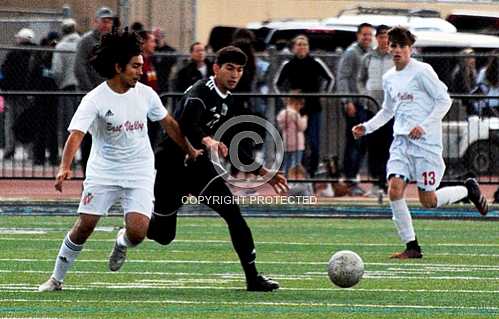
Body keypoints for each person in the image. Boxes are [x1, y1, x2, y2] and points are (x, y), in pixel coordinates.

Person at [38, 28, 201, 292]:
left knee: (137, 233)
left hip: (140, 170)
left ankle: (121, 243)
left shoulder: (146, 94)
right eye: (136, 66)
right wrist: (64, 167)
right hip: (104, 171)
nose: (141, 70)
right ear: (118, 67)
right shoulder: (95, 99)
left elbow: (169, 124)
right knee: (84, 226)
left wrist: (190, 150)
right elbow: (76, 135)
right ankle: (56, 279)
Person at [147, 46, 288, 291]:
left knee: (233, 214)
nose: (235, 74)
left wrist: (264, 172)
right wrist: (207, 139)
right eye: (230, 68)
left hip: (199, 167)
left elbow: (233, 142)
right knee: (163, 236)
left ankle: (253, 277)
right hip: (172, 166)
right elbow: (187, 124)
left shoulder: (228, 100)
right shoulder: (202, 91)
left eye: (240, 69)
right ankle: (132, 229)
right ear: (216, 68)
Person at [352, 27, 489, 259]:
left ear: (410, 49)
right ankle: (412, 246)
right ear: (388, 47)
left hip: (426, 145)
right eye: (393, 45)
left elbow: (444, 101)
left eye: (401, 46)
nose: (396, 50)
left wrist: (423, 126)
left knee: (429, 201)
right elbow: (388, 110)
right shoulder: (389, 78)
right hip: (401, 144)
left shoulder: (422, 71)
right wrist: (367, 127)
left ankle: (468, 189)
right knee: (394, 191)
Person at [273, 35, 334, 177]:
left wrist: (323, 95)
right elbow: (276, 84)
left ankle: (311, 171)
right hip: (294, 110)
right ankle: (291, 172)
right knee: (293, 143)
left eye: (305, 44)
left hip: (313, 108)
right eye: (299, 44)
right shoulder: (288, 64)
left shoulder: (316, 62)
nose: (302, 47)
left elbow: (330, 78)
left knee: (313, 141)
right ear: (293, 48)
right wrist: (285, 99)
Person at [74, 6, 114, 174]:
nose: (107, 25)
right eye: (104, 21)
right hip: (92, 95)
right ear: (96, 22)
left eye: (109, 21)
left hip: (110, 95)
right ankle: (87, 173)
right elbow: (79, 67)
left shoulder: (111, 41)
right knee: (88, 135)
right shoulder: (87, 41)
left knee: (109, 133)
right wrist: (90, 92)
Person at [337, 23, 374, 195]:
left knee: (363, 143)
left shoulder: (371, 53)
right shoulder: (352, 53)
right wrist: (347, 101)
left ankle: (353, 177)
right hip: (355, 103)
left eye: (369, 35)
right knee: (354, 142)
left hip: (366, 104)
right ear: (358, 35)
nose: (367, 38)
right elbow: (343, 77)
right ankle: (349, 179)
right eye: (364, 34)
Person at [357, 24, 394, 195]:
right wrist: (365, 96)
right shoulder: (368, 58)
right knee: (373, 147)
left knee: (389, 146)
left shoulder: (395, 56)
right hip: (372, 108)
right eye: (381, 36)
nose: (384, 40)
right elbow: (360, 79)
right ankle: (375, 182)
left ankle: (387, 181)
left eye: (387, 36)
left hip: (391, 109)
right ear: (376, 38)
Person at [0, 28, 36, 159]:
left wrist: (3, 88)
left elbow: (4, 73)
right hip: (29, 94)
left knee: (10, 123)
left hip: (12, 93)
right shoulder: (36, 53)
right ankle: (30, 150)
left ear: (21, 39)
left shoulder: (13, 54)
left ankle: (10, 149)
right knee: (28, 122)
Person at [30, 32, 60, 165]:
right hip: (45, 93)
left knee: (47, 127)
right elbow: (34, 72)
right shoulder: (42, 54)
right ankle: (44, 156)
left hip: (47, 94)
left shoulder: (53, 54)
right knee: (44, 126)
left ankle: (45, 156)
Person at [52, 18, 81, 145]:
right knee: (82, 123)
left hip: (66, 87)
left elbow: (57, 70)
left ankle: (69, 157)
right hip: (82, 88)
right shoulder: (82, 44)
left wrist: (59, 83)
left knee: (68, 123)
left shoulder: (60, 46)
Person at [138, 30, 161, 149]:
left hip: (151, 106)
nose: (155, 44)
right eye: (152, 41)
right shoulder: (139, 63)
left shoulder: (149, 62)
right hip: (143, 108)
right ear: (143, 43)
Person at [276, 92, 307, 176]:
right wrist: (304, 119)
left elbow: (280, 125)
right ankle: (293, 182)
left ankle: (284, 180)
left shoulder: (283, 114)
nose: (300, 107)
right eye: (300, 105)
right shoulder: (295, 114)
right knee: (295, 165)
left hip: (287, 144)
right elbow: (302, 127)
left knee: (286, 164)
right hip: (298, 145)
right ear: (296, 104)